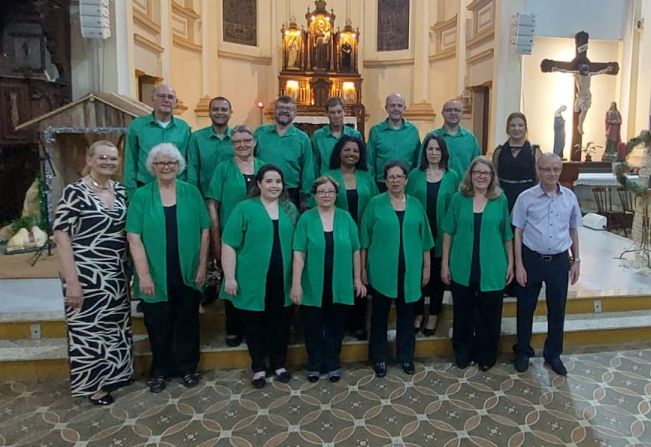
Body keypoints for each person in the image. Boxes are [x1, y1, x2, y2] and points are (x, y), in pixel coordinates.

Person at [53, 140, 133, 406]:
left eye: (113, 158)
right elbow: (61, 237)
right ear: (89, 160)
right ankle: (92, 385)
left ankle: (115, 374)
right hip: (85, 272)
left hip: (115, 271)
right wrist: (72, 281)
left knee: (115, 326)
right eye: (103, 157)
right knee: (88, 330)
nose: (109, 162)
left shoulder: (120, 191)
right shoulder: (74, 192)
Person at [126, 143, 210, 393]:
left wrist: (203, 266)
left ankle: (188, 368)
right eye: (161, 163)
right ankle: (160, 371)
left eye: (171, 163)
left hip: (188, 272)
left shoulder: (191, 192)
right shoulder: (142, 196)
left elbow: (205, 230)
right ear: (152, 167)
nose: (166, 167)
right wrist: (143, 275)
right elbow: (134, 236)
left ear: (179, 166)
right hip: (154, 274)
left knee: (188, 323)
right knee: (158, 326)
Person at [220, 165, 298, 388]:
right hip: (251, 279)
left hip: (283, 279)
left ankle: (279, 364)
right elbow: (229, 243)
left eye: (278, 181)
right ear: (259, 184)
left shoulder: (290, 209)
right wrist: (230, 277)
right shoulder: (244, 208)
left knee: (281, 324)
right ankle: (258, 368)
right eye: (269, 181)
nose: (274, 185)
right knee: (255, 325)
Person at [361, 161, 434, 377]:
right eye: (390, 177)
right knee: (379, 316)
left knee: (406, 315)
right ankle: (379, 357)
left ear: (406, 179)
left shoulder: (416, 205)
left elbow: (425, 240)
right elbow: (364, 239)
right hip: (381, 270)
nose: (395, 180)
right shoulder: (375, 204)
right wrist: (363, 270)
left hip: (410, 271)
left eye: (399, 176)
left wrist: (427, 268)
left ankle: (406, 357)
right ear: (385, 180)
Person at [512, 153, 582, 376]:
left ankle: (553, 354)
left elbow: (573, 229)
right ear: (538, 170)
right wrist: (519, 265)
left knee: (557, 309)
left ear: (560, 170)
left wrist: (576, 260)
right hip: (531, 260)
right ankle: (523, 351)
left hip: (559, 261)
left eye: (556, 169)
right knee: (525, 308)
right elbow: (518, 233)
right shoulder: (526, 198)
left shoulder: (569, 197)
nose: (551, 174)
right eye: (546, 169)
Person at [441, 156, 513, 371]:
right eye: (477, 172)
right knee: (463, 313)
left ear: (492, 177)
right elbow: (448, 232)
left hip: (492, 266)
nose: (481, 176)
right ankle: (462, 353)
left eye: (486, 173)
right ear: (470, 175)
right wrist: (444, 264)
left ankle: (486, 355)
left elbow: (506, 234)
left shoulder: (500, 200)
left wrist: (511, 264)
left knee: (490, 315)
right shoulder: (458, 199)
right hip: (463, 265)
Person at [291, 176, 366, 383]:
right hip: (312, 284)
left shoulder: (345, 217)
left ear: (336, 195)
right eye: (321, 191)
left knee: (336, 325)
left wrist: (357, 279)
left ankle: (333, 363)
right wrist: (296, 284)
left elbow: (356, 250)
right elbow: (299, 253)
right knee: (312, 326)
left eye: (330, 191)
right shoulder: (306, 218)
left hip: (339, 283)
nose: (326, 195)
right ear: (314, 195)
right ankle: (314, 364)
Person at [205, 125, 265, 347]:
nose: (242, 145)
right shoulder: (223, 169)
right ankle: (234, 327)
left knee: (254, 282)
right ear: (232, 145)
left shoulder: (262, 168)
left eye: (247, 141)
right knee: (231, 279)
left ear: (254, 143)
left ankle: (254, 328)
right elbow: (213, 203)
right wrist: (216, 235)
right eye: (237, 141)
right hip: (230, 235)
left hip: (258, 236)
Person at [326, 135, 378, 339]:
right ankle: (339, 322)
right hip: (337, 235)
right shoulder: (329, 176)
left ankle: (358, 323)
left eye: (356, 151)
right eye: (347, 150)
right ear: (339, 152)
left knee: (361, 277)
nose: (351, 154)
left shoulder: (367, 177)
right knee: (339, 276)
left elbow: (376, 205)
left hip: (363, 234)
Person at [406, 135, 459, 336]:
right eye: (430, 149)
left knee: (437, 274)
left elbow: (455, 207)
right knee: (417, 273)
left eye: (438, 149)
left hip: (442, 232)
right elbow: (408, 202)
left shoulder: (452, 176)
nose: (434, 153)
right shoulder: (414, 175)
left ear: (443, 152)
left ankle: (434, 314)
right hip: (417, 232)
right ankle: (418, 312)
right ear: (425, 152)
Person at [123, 84, 191, 197]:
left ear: (175, 102)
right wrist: (131, 192)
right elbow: (130, 160)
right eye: (161, 96)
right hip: (144, 188)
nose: (166, 100)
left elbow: (188, 160)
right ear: (153, 99)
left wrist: (187, 188)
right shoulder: (137, 126)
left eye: (170, 97)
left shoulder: (183, 128)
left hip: (177, 190)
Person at [255, 96, 314, 209]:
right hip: (262, 190)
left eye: (289, 109)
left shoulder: (302, 138)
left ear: (295, 113)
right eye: (281, 107)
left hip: (290, 192)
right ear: (275, 110)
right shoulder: (260, 133)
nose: (284, 111)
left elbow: (308, 170)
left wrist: (307, 198)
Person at [367, 93, 421, 191]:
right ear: (386, 108)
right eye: (392, 105)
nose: (396, 108)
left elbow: (418, 160)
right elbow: (369, 162)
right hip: (381, 184)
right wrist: (372, 186)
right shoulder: (375, 131)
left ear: (404, 108)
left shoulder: (413, 131)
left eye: (399, 106)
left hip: (407, 184)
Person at [492, 112, 543, 213]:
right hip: (503, 196)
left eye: (520, 125)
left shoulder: (534, 151)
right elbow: (494, 175)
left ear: (525, 128)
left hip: (527, 196)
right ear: (507, 128)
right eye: (512, 125)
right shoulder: (499, 151)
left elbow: (539, 178)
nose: (516, 129)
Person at [186, 96, 234, 196]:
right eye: (215, 109)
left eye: (224, 109)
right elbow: (192, 169)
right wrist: (192, 194)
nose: (219, 112)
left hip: (233, 196)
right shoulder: (197, 138)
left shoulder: (238, 138)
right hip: (205, 195)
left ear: (230, 113)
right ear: (209, 113)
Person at [551, 63, 615, 134]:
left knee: (584, 112)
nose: (586, 72)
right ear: (581, 70)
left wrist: (607, 69)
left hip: (587, 96)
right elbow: (566, 71)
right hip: (581, 96)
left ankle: (580, 125)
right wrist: (557, 69)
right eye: (585, 71)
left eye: (587, 71)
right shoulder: (578, 73)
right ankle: (576, 83)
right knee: (576, 109)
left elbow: (599, 72)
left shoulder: (590, 74)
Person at [425, 99, 481, 179]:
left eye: (457, 110)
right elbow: (422, 163)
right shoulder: (431, 137)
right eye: (449, 110)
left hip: (463, 188)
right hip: (438, 187)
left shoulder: (471, 139)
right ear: (442, 113)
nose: (453, 113)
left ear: (462, 113)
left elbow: (477, 166)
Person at [312, 97, 363, 175]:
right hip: (326, 181)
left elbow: (361, 162)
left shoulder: (355, 135)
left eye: (339, 112)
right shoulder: (318, 136)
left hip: (349, 180)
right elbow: (314, 164)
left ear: (344, 112)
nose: (336, 116)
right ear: (327, 113)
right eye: (332, 112)